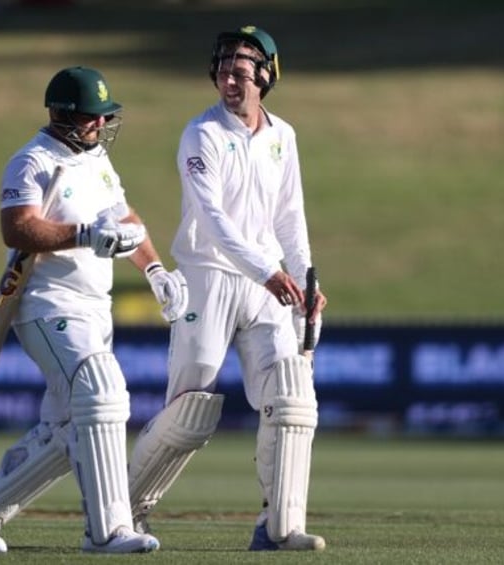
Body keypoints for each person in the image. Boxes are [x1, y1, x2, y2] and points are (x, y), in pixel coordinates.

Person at [0, 66, 188, 554]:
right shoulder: (31, 161)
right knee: (102, 392)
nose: (100, 126)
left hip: (95, 306)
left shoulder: (97, 159)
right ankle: (107, 532)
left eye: (104, 117)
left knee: (70, 426)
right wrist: (81, 234)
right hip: (45, 304)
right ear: (61, 115)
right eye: (91, 118)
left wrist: (155, 271)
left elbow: (125, 219)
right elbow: (17, 229)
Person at [127, 26, 328, 552]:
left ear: (266, 77)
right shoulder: (201, 134)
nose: (229, 80)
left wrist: (308, 279)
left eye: (241, 72)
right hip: (207, 275)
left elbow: (291, 218)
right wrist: (265, 268)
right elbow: (213, 219)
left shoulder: (283, 136)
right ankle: (122, 512)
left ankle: (279, 527)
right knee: (189, 408)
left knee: (290, 396)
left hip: (270, 284)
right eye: (223, 70)